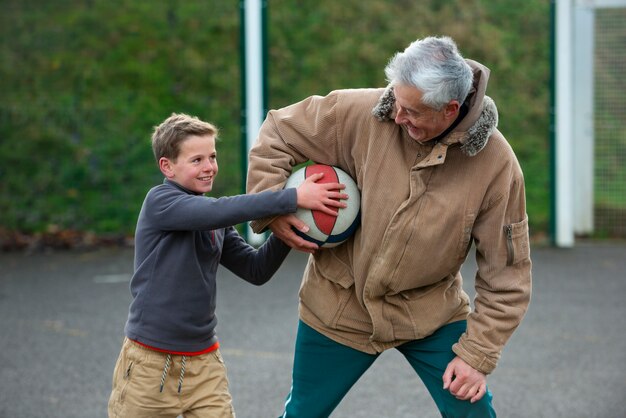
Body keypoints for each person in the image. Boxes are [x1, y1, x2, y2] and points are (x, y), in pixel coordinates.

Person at [246, 36, 532, 417]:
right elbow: (278, 133)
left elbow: (507, 276)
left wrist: (476, 356)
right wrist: (274, 206)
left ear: (449, 109)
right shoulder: (360, 111)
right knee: (302, 413)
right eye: (396, 101)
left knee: (473, 414)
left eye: (411, 111)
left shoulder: (497, 165)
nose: (396, 116)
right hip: (338, 304)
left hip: (431, 311)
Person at [107, 112, 348, 418]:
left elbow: (255, 269)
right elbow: (219, 210)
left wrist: (291, 227)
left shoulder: (214, 220)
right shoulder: (161, 202)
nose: (209, 167)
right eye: (197, 160)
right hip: (150, 366)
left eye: (212, 156)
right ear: (167, 166)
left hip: (204, 365)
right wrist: (292, 197)